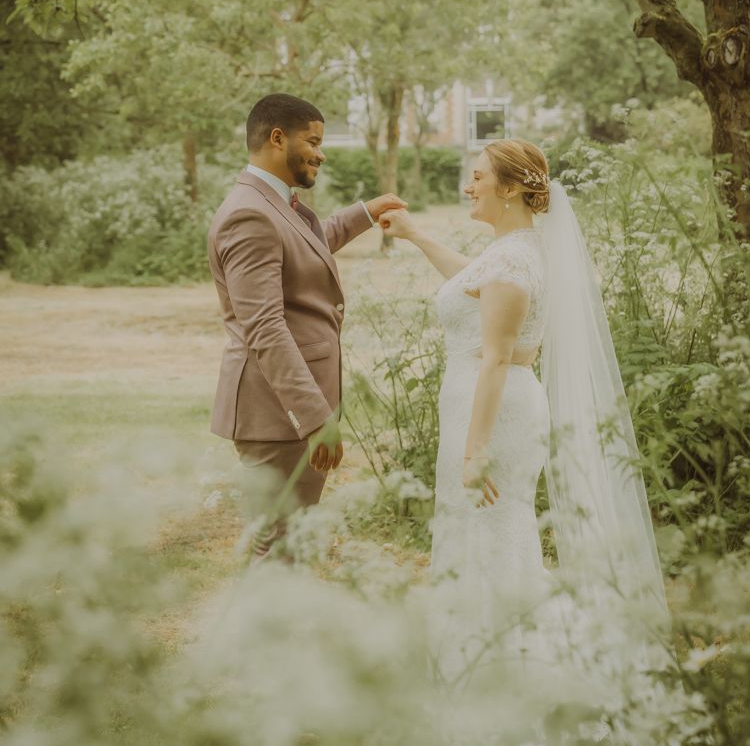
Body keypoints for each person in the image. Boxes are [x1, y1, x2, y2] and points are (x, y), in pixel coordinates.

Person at [380, 138, 667, 679]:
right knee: (481, 532)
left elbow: (496, 358)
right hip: (488, 408)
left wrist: (475, 450)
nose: (469, 186)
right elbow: (472, 286)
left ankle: (498, 673)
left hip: (491, 417)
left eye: (479, 177)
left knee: (488, 533)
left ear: (509, 188)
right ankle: (480, 661)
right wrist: (418, 235)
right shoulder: (511, 251)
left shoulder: (512, 260)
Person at [208, 93, 406, 557]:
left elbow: (307, 247)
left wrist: (365, 212)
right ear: (278, 138)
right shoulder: (249, 213)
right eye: (313, 141)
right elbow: (265, 327)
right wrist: (315, 416)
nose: (321, 152)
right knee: (279, 549)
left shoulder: (272, 204)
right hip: (279, 416)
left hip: (285, 413)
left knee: (286, 545)